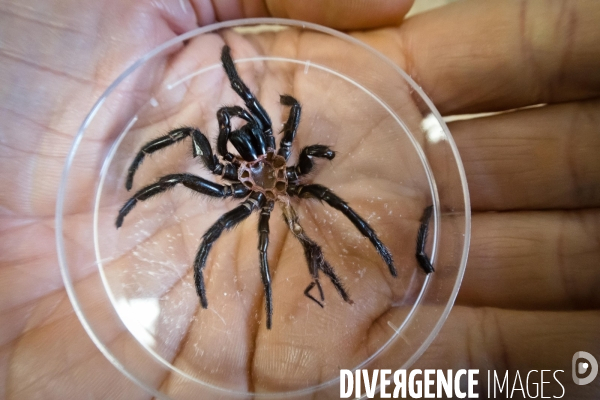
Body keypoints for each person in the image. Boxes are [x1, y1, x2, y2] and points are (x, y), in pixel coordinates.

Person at [1, 0, 598, 398]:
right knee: (231, 229)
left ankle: (385, 255)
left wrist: (261, 97)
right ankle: (346, 258)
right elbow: (190, 153)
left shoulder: (276, 145)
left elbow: (276, 112)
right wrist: (137, 193)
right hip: (257, 183)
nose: (239, 126)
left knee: (331, 206)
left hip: (278, 170)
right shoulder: (230, 165)